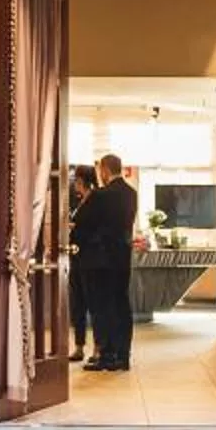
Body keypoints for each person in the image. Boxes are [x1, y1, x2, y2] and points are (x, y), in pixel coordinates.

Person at [71, 153, 140, 373]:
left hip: (99, 261)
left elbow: (81, 224)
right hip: (122, 259)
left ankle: (106, 355)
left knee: (102, 308)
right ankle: (123, 355)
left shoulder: (101, 195)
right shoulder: (131, 194)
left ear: (104, 170)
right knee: (121, 305)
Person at [65, 165, 97, 361]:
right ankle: (79, 346)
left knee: (92, 304)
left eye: (77, 180)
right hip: (76, 258)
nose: (74, 183)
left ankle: (98, 348)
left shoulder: (96, 199)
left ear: (85, 180)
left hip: (90, 258)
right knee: (78, 304)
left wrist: (75, 227)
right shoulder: (77, 200)